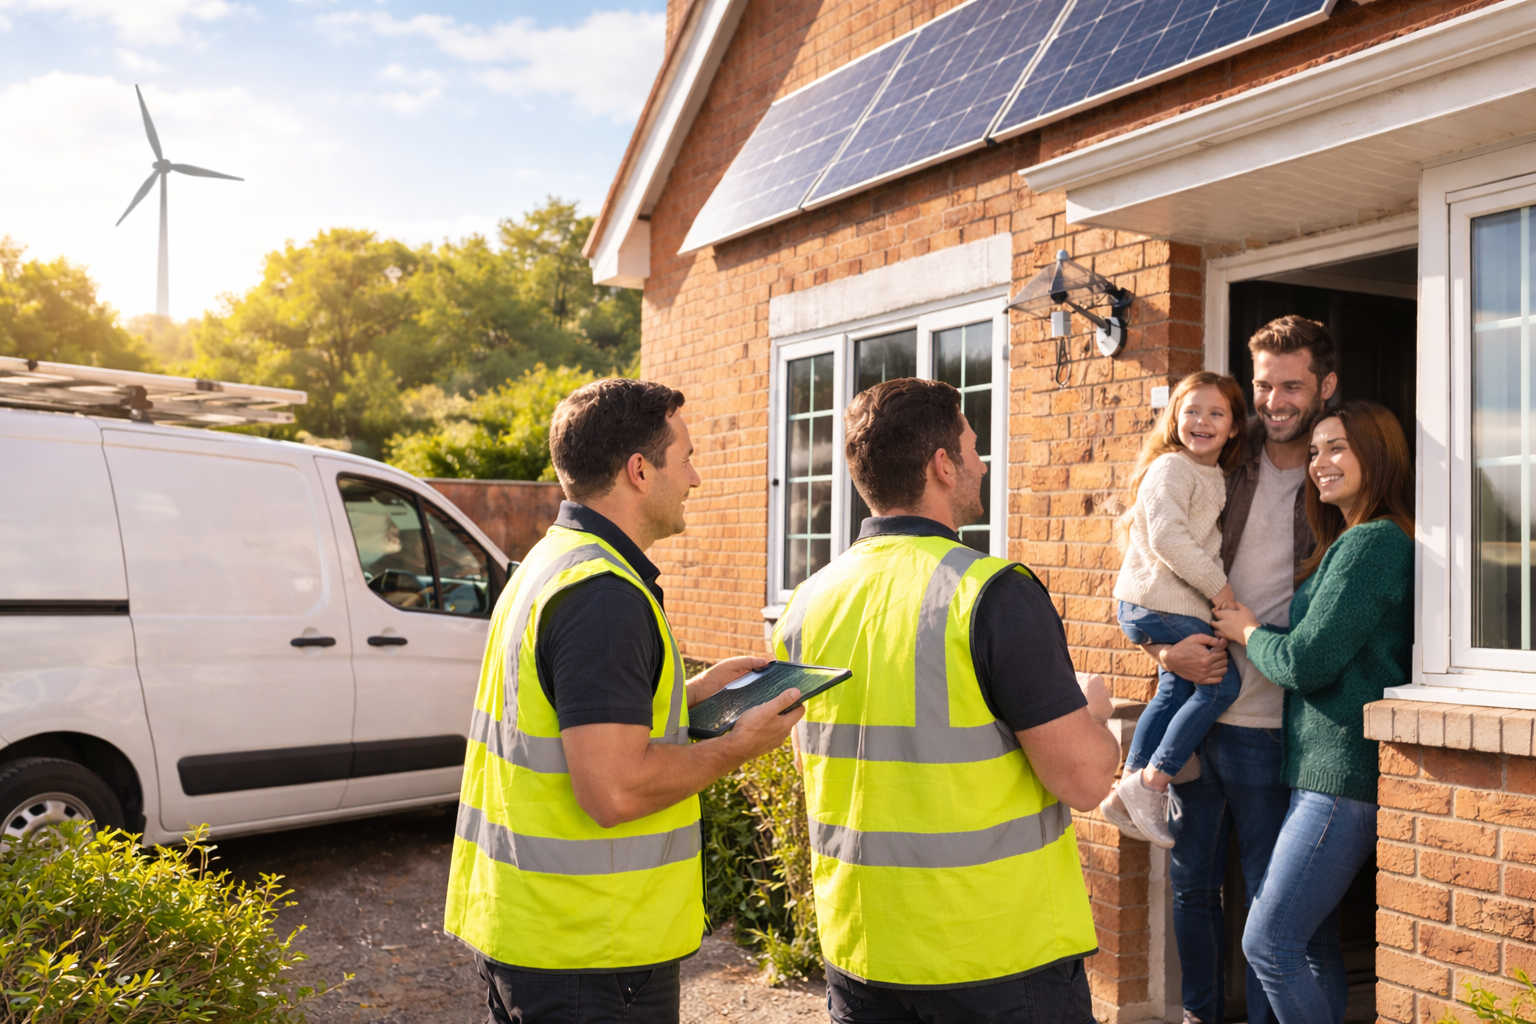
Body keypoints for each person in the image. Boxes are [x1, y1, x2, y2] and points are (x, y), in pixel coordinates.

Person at [444, 378, 805, 1024]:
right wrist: (735, 747)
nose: (695, 478)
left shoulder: (549, 564)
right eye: (686, 457)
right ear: (639, 471)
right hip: (590, 953)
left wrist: (692, 697)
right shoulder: (603, 596)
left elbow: (569, 721)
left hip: (536, 935)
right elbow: (613, 790)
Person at [772, 377, 1120, 1023]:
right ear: (942, 465)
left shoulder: (805, 602)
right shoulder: (991, 593)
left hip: (864, 955)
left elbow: (818, 767)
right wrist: (1097, 719)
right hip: (996, 959)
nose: (982, 463)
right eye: (973, 447)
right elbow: (1084, 778)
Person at [1143, 316, 1336, 1024]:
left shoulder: (1337, 471)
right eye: (1263, 384)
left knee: (1265, 901)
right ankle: (1199, 1015)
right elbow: (1152, 562)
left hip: (1268, 722)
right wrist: (1162, 652)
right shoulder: (1222, 454)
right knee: (1193, 889)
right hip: (1194, 707)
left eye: (1291, 385)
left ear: (1325, 387)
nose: (1274, 400)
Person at [1214, 400, 1414, 1024]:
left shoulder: (1373, 545)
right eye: (1314, 452)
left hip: (1340, 779)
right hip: (1317, 776)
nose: (1319, 464)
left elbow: (1304, 664)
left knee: (1268, 942)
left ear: (1375, 456)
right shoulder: (1349, 542)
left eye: (1336, 448)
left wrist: (1247, 631)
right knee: (1316, 945)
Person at [1101, 371, 1248, 848]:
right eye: (1191, 411)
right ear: (1174, 418)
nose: (1202, 421)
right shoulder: (1173, 468)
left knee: (1173, 690)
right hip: (1157, 600)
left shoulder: (1210, 474)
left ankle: (1128, 792)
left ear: (1234, 428)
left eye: (1216, 413)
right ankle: (1152, 783)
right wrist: (1220, 590)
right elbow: (1168, 538)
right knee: (1220, 684)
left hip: (1159, 602)